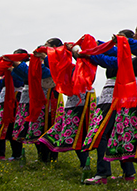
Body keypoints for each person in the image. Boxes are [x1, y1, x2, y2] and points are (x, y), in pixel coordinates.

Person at [80, 23, 137, 191]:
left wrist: (121, 41)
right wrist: (95, 44)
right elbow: (113, 53)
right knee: (134, 141)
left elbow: (126, 52)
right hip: (134, 100)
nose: (134, 36)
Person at [78, 30, 137, 186]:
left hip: (115, 95)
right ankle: (128, 172)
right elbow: (104, 50)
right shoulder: (121, 53)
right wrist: (91, 44)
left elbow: (105, 59)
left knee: (102, 133)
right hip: (114, 95)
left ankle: (103, 173)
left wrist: (87, 52)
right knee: (118, 132)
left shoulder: (127, 55)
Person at [39, 38, 95, 170]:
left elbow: (57, 65)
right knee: (68, 135)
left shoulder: (80, 67)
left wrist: (46, 57)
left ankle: (85, 165)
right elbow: (56, 66)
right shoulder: (70, 67)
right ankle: (48, 160)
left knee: (78, 136)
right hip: (72, 104)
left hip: (81, 103)